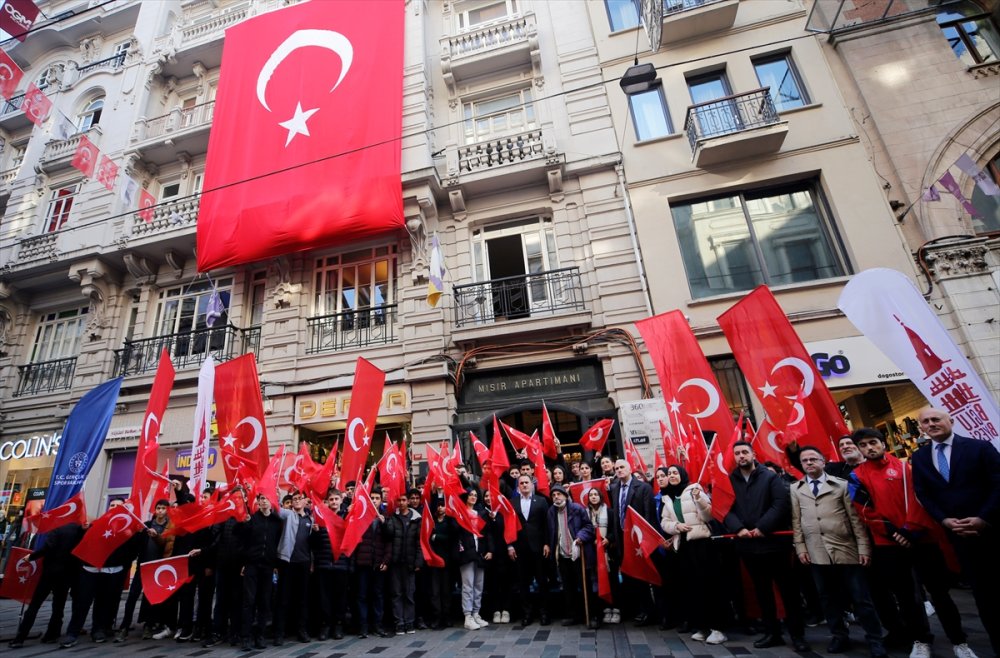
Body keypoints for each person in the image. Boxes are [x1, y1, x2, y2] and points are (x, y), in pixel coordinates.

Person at [851, 428, 978, 658]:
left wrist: (911, 530)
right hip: (888, 545)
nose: (869, 448)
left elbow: (923, 498)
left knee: (939, 593)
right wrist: (893, 533)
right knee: (906, 597)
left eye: (873, 442)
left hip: (922, 539)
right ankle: (921, 640)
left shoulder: (907, 467)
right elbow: (864, 510)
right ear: (859, 449)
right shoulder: (857, 475)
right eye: (864, 445)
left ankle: (959, 641)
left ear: (882, 442)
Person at [911, 407, 1000, 656]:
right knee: (985, 600)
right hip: (959, 538)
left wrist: (983, 518)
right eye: (926, 422)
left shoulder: (979, 448)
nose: (931, 424)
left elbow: (997, 484)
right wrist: (945, 520)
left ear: (951, 420)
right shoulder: (919, 458)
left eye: (936, 419)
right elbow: (924, 494)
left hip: (990, 532)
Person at [790, 446, 885, 657]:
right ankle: (839, 635)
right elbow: (797, 521)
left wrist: (863, 548)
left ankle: (874, 638)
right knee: (827, 598)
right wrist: (801, 547)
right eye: (805, 461)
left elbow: (855, 520)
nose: (809, 463)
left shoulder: (841, 485)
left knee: (860, 597)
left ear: (823, 462)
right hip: (816, 552)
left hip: (845, 548)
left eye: (813, 459)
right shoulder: (796, 489)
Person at [723, 441, 809, 652]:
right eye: (737, 453)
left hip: (774, 545)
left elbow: (780, 504)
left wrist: (763, 527)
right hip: (748, 546)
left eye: (745, 452)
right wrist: (739, 528)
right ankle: (773, 633)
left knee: (788, 591)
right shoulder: (730, 480)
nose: (741, 456)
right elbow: (725, 507)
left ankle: (797, 635)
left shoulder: (770, 477)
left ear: (753, 454)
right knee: (762, 592)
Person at [659, 464, 726, 645]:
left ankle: (717, 628)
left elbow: (709, 516)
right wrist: (676, 527)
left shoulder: (694, 489)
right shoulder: (668, 497)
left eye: (675, 473)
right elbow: (664, 521)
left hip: (702, 544)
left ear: (682, 474)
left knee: (709, 585)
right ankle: (702, 626)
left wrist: (700, 500)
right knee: (692, 587)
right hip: (683, 546)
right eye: (669, 473)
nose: (672, 476)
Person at [9, 521, 84, 648]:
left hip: (50, 572)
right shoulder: (79, 531)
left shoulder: (58, 528)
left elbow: (47, 547)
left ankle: (20, 637)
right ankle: (52, 634)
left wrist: (31, 557)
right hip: (67, 574)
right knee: (58, 606)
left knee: (35, 605)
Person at [608, 458, 656, 625]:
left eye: (622, 467)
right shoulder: (614, 489)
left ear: (630, 469)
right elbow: (616, 514)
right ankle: (636, 610)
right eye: (616, 468)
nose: (619, 470)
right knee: (629, 576)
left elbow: (648, 515)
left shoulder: (643, 488)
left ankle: (648, 611)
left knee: (643, 577)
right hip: (623, 539)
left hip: (639, 539)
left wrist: (647, 541)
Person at [546, 484, 595, 627]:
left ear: (566, 496)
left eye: (559, 494)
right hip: (562, 555)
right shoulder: (551, 512)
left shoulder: (577, 509)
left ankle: (592, 615)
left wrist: (580, 537)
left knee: (585, 585)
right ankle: (572, 615)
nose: (556, 497)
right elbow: (549, 531)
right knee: (568, 587)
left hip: (578, 554)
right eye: (553, 495)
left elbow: (588, 527)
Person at [238, 493, 282, 651]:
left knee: (264, 602)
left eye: (266, 498)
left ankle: (260, 636)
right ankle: (246, 637)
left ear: (272, 502)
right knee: (249, 602)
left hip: (268, 567)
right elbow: (243, 541)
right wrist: (244, 562)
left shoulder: (277, 521)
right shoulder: (252, 519)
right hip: (252, 565)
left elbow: (278, 543)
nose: (263, 502)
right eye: (260, 499)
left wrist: (276, 564)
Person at [508, 473, 551, 626]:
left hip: (539, 548)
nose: (525, 485)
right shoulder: (511, 503)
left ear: (532, 485)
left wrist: (547, 543)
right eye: (522, 483)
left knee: (542, 582)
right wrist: (510, 545)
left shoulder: (541, 501)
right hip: (520, 548)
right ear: (518, 486)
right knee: (523, 583)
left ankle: (544, 613)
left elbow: (547, 524)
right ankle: (527, 614)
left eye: (527, 482)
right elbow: (509, 526)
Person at [310, 489, 350, 642]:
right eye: (331, 499)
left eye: (336, 499)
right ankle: (325, 626)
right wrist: (314, 532)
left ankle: (338, 626)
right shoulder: (320, 517)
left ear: (341, 500)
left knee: (340, 598)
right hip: (324, 565)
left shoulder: (346, 517)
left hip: (341, 565)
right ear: (327, 501)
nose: (334, 502)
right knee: (324, 598)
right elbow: (313, 544)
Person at [382, 490, 423, 635]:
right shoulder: (393, 518)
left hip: (410, 562)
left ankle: (409, 622)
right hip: (396, 562)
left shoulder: (417, 519)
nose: (402, 503)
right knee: (397, 594)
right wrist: (386, 521)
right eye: (399, 500)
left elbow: (420, 542)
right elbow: (388, 535)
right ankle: (399, 623)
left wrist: (418, 561)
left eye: (404, 500)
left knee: (409, 594)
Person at [274, 490, 312, 644]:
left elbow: (311, 545)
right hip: (287, 562)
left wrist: (312, 563)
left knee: (302, 599)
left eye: (299, 499)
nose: (296, 501)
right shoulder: (288, 514)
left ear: (305, 501)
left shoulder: (311, 519)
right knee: (283, 599)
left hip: (304, 563)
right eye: (294, 499)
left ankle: (301, 631)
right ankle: (279, 633)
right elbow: (276, 510)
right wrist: (275, 495)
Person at [351, 489, 390, 639]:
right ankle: (363, 627)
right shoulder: (360, 517)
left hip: (378, 564)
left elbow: (389, 541)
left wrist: (384, 523)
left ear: (381, 501)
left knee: (378, 595)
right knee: (362, 596)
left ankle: (378, 626)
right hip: (363, 563)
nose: (374, 500)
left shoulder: (385, 517)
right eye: (372, 498)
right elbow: (354, 541)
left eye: (377, 498)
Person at [456, 489, 492, 630]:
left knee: (478, 585)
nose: (473, 497)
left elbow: (486, 533)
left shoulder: (481, 513)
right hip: (467, 554)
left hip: (480, 553)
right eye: (471, 495)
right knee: (468, 586)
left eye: (476, 495)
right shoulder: (460, 513)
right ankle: (468, 615)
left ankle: (476, 613)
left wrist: (489, 550)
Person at [585, 486, 618, 625]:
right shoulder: (585, 513)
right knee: (597, 582)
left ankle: (615, 609)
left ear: (601, 496)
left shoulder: (609, 512)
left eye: (596, 494)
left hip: (608, 553)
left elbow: (614, 529)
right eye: (591, 495)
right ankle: (604, 609)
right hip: (593, 553)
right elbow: (584, 528)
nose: (593, 497)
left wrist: (608, 539)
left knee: (612, 580)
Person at [481, 488, 511, 625]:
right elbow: (484, 534)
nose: (488, 498)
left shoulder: (503, 512)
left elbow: (506, 529)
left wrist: (495, 519)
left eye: (490, 496)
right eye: (486, 496)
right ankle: (495, 610)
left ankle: (506, 609)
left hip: (503, 552)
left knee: (505, 581)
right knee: (492, 583)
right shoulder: (482, 513)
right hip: (489, 554)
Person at [427, 499, 456, 629]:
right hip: (433, 560)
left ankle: (447, 616)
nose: (440, 508)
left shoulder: (450, 521)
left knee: (446, 590)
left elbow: (451, 537)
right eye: (438, 505)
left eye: (442, 505)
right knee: (435, 591)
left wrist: (436, 537)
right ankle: (436, 616)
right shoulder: (431, 521)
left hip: (446, 560)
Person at [787, 435, 864, 478]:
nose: (845, 446)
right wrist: (794, 451)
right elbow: (809, 466)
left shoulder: (872, 465)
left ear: (859, 446)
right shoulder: (833, 468)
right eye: (841, 445)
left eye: (849, 443)